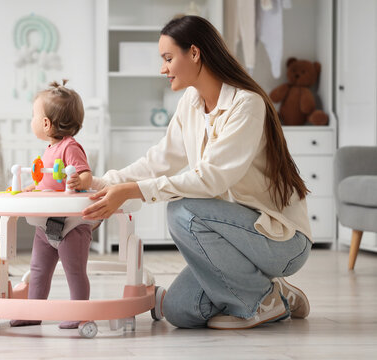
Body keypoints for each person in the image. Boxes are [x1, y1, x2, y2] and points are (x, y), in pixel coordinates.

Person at [82, 16, 312, 330]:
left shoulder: (247, 104)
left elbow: (211, 178)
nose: (162, 69)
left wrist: (134, 191)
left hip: (279, 239)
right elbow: (160, 159)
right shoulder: (191, 102)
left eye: (167, 58)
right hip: (232, 234)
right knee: (178, 310)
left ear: (194, 53)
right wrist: (103, 182)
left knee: (182, 211)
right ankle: (276, 294)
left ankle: (260, 301)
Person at [10, 80, 94, 329]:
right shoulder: (48, 151)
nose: (32, 121)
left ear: (45, 123)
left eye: (33, 116)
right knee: (38, 270)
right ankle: (33, 311)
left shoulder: (70, 147)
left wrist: (79, 180)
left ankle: (79, 311)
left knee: (74, 271)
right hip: (46, 226)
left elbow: (86, 174)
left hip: (71, 227)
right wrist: (33, 189)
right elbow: (48, 183)